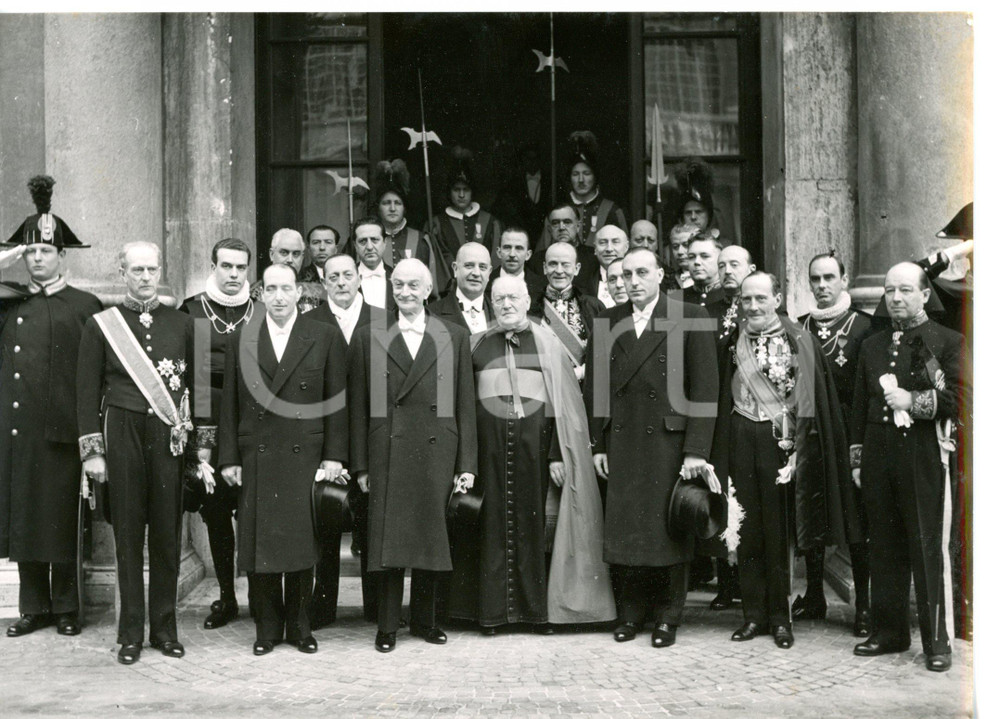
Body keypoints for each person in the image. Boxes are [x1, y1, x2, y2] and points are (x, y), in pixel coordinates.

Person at [452, 275, 614, 634]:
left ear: (527, 301)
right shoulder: (476, 345)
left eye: (513, 297)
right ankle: (492, 614)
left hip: (537, 455)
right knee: (490, 530)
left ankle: (536, 613)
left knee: (534, 529)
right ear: (491, 305)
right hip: (489, 455)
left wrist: (558, 454)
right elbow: (463, 403)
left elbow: (565, 405)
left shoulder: (548, 344)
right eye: (499, 299)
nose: (506, 304)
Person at [76, 241, 210, 664]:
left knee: (168, 537)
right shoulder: (102, 325)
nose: (146, 277)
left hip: (169, 437)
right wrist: (93, 452)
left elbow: (200, 390)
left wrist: (201, 447)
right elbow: (85, 393)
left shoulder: (184, 322)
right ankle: (131, 632)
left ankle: (165, 630)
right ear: (122, 272)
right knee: (129, 535)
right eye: (137, 270)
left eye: (152, 269)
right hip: (123, 432)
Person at [713, 272, 858, 650]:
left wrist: (800, 448)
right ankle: (752, 616)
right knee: (746, 528)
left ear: (777, 298)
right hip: (741, 438)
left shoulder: (800, 340)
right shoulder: (732, 342)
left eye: (761, 298)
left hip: (782, 442)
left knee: (779, 533)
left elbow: (809, 402)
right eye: (747, 299)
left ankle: (780, 618)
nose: (754, 306)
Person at [586, 248, 719, 648]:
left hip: (670, 442)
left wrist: (696, 449)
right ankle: (631, 614)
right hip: (623, 442)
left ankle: (668, 617)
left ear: (661, 274)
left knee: (669, 530)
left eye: (642, 272)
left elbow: (705, 388)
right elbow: (596, 388)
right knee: (628, 530)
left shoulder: (690, 316)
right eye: (626, 275)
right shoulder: (607, 321)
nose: (634, 281)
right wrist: (599, 443)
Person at [218, 263, 349, 656]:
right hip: (256, 452)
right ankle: (268, 627)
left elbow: (338, 403)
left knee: (300, 545)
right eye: (270, 289)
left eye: (285, 289)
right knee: (262, 545)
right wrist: (229, 458)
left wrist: (334, 456)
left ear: (300, 294)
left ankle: (300, 624)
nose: (278, 296)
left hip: (304, 455)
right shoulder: (242, 337)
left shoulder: (324, 335)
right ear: (260, 294)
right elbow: (229, 406)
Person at [348, 259, 477, 653]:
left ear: (428, 289)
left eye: (413, 285)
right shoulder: (369, 335)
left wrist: (466, 465)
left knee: (428, 537)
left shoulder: (453, 335)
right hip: (387, 448)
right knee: (389, 541)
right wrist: (361, 465)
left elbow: (464, 404)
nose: (405, 292)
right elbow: (359, 407)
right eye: (398, 285)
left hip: (437, 447)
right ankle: (386, 627)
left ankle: (426, 621)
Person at [850, 262, 968, 673]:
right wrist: (858, 460)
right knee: (883, 545)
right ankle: (890, 632)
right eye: (889, 290)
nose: (895, 298)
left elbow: (961, 400)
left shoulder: (947, 341)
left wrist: (913, 402)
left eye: (904, 290)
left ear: (923, 294)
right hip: (879, 458)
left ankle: (937, 642)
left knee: (925, 545)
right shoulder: (871, 345)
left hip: (922, 457)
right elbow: (861, 406)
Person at [1, 175, 102, 638]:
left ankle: (65, 607)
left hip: (63, 433)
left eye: (46, 251)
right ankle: (32, 607)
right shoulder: (8, 304)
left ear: (62, 256)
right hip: (17, 431)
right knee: (23, 522)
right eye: (31, 252)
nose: (38, 258)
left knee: (61, 523)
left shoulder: (84, 306)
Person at [794, 251, 874, 636]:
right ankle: (813, 594)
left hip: (849, 432)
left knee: (855, 517)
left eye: (829, 277)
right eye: (815, 279)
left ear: (844, 280)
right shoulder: (797, 328)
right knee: (811, 508)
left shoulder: (866, 327)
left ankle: (864, 607)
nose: (822, 286)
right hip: (810, 434)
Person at [179, 238, 255, 630]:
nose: (233, 275)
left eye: (241, 268)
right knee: (217, 516)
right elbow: (183, 376)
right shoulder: (192, 309)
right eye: (226, 266)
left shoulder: (260, 310)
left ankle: (261, 596)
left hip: (250, 426)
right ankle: (227, 597)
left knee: (256, 512)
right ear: (213, 265)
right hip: (207, 428)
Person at [306, 253, 380, 626]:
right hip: (326, 442)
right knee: (326, 523)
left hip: (372, 437)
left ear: (359, 278)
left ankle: (376, 606)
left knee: (372, 522)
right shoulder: (310, 323)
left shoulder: (383, 321)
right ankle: (322, 607)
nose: (340, 282)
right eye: (332, 276)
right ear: (323, 282)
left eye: (347, 275)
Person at [702, 244, 755, 612]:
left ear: (751, 267)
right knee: (722, 490)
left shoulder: (763, 309)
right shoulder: (709, 311)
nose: (727, 270)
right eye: (722, 265)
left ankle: (752, 584)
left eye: (735, 264)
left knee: (750, 495)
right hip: (719, 410)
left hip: (752, 412)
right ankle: (726, 583)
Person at [372, 159, 447, 297]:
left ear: (405, 208)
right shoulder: (366, 240)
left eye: (398, 203)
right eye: (386, 203)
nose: (392, 208)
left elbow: (434, 291)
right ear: (378, 208)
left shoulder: (422, 240)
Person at [530, 242, 604, 381]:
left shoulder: (595, 306)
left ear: (576, 268)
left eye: (565, 264)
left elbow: (605, 354)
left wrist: (581, 373)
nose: (559, 270)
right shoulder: (529, 309)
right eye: (553, 264)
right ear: (545, 268)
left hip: (583, 390)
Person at [427, 147, 504, 265]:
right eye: (456, 190)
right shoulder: (437, 224)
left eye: (466, 190)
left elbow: (496, 260)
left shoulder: (490, 222)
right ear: (449, 191)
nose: (461, 195)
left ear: (472, 191)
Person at [428, 243, 495, 339]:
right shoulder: (431, 314)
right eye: (469, 266)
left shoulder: (501, 313)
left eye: (482, 267)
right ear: (455, 269)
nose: (476, 273)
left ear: (489, 272)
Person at [250, 228, 325, 313]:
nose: (290, 260)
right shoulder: (254, 293)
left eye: (296, 254)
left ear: (302, 257)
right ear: (271, 254)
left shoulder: (317, 292)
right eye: (284, 253)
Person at [492, 143, 550, 246]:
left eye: (535, 158)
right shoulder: (513, 183)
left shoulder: (551, 181)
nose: (532, 162)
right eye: (528, 159)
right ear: (523, 160)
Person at [527, 204, 599, 280]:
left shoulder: (593, 258)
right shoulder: (536, 261)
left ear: (578, 226)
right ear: (549, 229)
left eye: (567, 222)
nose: (561, 227)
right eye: (555, 223)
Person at [486, 227, 546, 302]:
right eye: (507, 247)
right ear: (499, 252)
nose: (512, 254)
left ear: (528, 255)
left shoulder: (541, 286)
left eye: (519, 248)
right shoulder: (485, 283)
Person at [353, 217, 395, 312]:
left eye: (374, 240)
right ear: (355, 245)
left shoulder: (398, 277)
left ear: (385, 242)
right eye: (363, 241)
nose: (369, 247)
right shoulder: (345, 279)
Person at [582, 225, 629, 309]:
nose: (609, 249)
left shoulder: (638, 279)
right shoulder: (583, 282)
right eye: (603, 242)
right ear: (595, 249)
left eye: (615, 242)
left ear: (626, 247)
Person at [682, 235, 727, 318]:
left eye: (705, 256)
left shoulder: (730, 296)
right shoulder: (675, 297)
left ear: (720, 260)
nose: (697, 262)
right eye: (691, 257)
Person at [667, 223, 699, 290]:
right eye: (675, 247)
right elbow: (674, 300)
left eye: (686, 245)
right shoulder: (670, 281)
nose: (680, 252)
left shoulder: (711, 277)